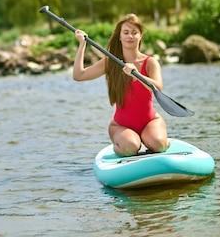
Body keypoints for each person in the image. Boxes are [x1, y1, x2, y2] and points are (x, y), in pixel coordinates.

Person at [72, 14, 170, 157]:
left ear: (140, 36)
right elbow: (78, 75)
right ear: (120, 36)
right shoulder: (110, 62)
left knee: (159, 145)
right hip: (121, 126)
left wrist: (137, 75)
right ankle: (124, 144)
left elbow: (158, 88)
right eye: (126, 32)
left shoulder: (150, 62)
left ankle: (155, 140)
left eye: (134, 32)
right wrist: (82, 45)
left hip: (150, 122)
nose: (130, 36)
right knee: (130, 147)